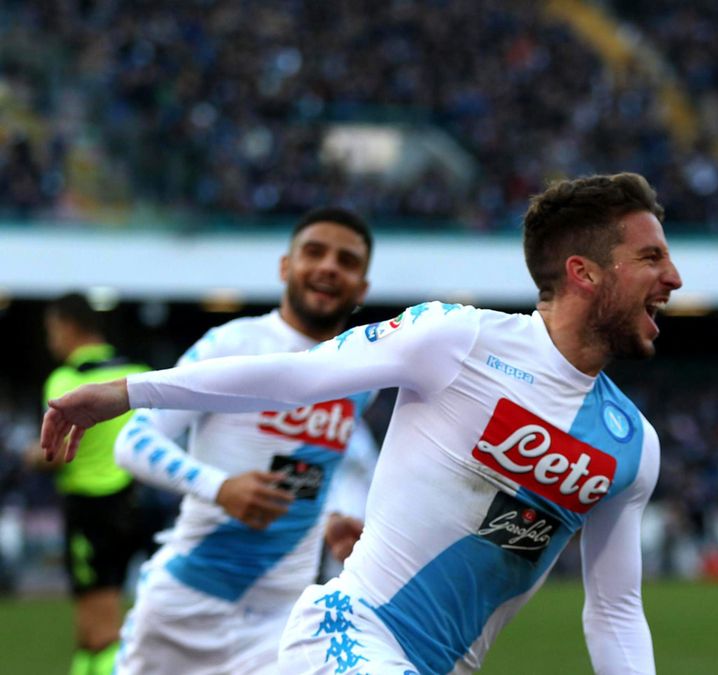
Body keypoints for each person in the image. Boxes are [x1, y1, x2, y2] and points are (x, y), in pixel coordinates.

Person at [41, 172, 683, 674]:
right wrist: (128, 392)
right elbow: (293, 376)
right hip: (341, 635)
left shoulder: (634, 448)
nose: (673, 277)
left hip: (345, 639)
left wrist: (349, 516)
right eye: (651, 256)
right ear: (583, 272)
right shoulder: (455, 338)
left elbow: (616, 610)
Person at [106, 207, 380, 674]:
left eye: (347, 261)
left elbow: (316, 468)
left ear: (362, 289)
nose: (329, 266)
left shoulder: (360, 374)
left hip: (283, 618)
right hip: (184, 608)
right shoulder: (232, 344)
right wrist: (220, 488)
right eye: (314, 252)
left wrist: (331, 516)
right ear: (285, 267)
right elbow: (133, 441)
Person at [26, 293, 152, 675]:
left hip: (90, 508)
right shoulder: (137, 374)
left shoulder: (67, 381)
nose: (51, 341)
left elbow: (53, 452)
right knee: (94, 628)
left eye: (51, 331)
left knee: (100, 630)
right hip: (133, 502)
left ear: (67, 327)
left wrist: (30, 456)